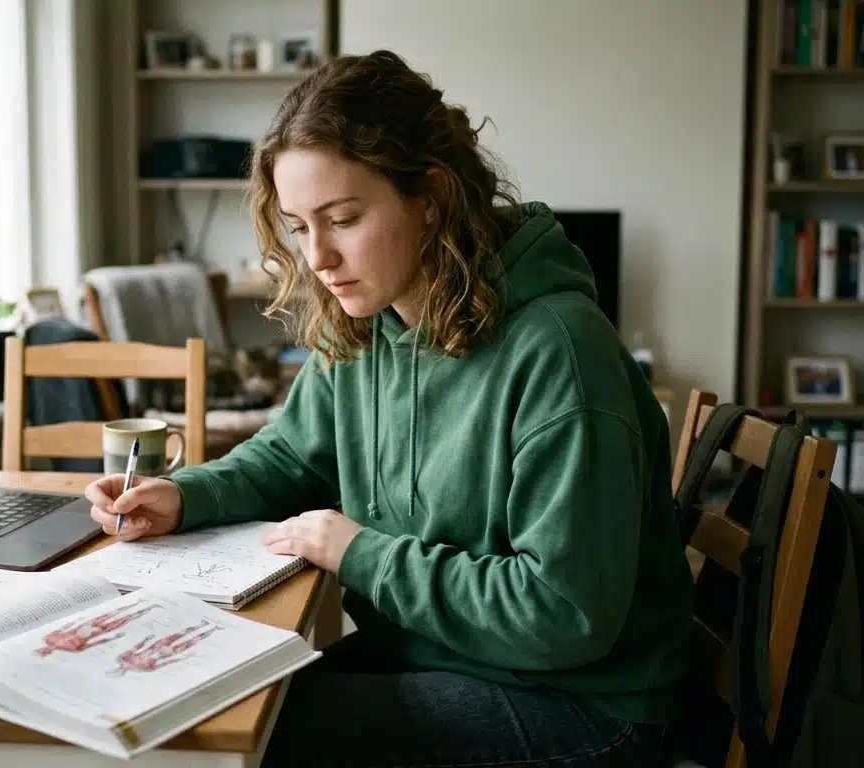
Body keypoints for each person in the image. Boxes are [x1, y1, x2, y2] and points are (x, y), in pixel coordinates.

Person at [86, 49, 696, 767]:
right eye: (299, 227)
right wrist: (183, 496)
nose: (318, 258)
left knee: (254, 738)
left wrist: (360, 554)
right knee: (217, 705)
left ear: (430, 197)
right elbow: (289, 454)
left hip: (585, 705)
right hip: (447, 659)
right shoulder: (374, 323)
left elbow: (562, 616)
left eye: (342, 219)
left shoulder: (561, 354)